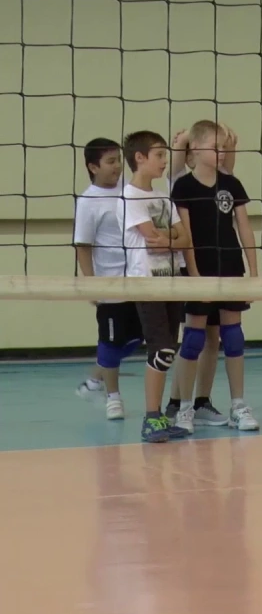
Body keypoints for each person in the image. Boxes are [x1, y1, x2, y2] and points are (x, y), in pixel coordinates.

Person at [170, 120, 260, 433]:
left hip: (231, 266)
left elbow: (244, 227)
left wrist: (254, 273)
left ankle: (238, 406)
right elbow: (186, 235)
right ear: (195, 148)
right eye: (215, 147)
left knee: (232, 336)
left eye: (224, 147)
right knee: (193, 339)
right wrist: (194, 275)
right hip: (199, 268)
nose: (222, 152)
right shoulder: (183, 186)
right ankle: (184, 409)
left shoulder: (231, 184)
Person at [119, 130, 192, 443]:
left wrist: (169, 239)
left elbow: (185, 239)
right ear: (140, 158)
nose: (164, 161)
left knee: (169, 349)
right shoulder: (130, 196)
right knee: (160, 349)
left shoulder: (163, 197)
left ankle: (159, 415)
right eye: (159, 155)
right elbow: (152, 240)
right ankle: (151, 418)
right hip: (147, 282)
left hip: (172, 281)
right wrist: (171, 238)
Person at [73, 137, 139, 421]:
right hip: (109, 283)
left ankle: (93, 381)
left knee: (136, 339)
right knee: (111, 341)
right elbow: (83, 246)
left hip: (138, 278)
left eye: (118, 160)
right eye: (110, 161)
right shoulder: (88, 201)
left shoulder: (129, 191)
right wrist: (91, 285)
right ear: (93, 167)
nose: (117, 166)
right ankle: (113, 397)